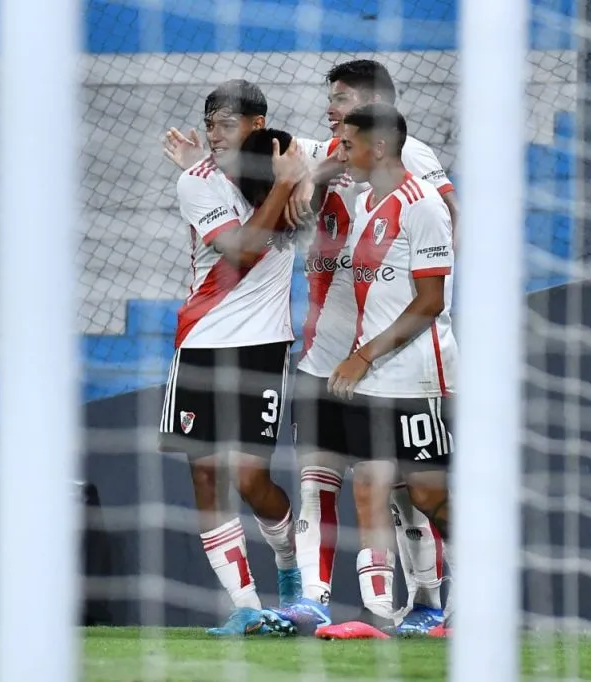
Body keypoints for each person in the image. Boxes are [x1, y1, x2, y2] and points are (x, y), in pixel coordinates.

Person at [164, 60, 457, 635]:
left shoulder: (409, 162)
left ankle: (428, 601)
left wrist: (434, 299)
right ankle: (315, 599)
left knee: (408, 487)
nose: (330, 109)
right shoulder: (322, 153)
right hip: (327, 352)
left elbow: (445, 229)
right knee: (322, 474)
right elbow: (264, 150)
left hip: (394, 353)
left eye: (342, 99)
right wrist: (217, 161)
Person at [158, 79, 307, 636]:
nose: (215, 132)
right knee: (204, 476)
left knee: (250, 479)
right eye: (210, 121)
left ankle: (290, 572)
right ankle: (246, 607)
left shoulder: (290, 156)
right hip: (200, 343)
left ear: (256, 123)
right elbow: (241, 248)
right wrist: (285, 185)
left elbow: (349, 157)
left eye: (226, 123)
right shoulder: (196, 183)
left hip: (262, 346)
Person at [314, 103, 456, 639]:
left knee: (427, 495)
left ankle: (473, 597)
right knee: (369, 484)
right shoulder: (370, 203)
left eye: (347, 145)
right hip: (372, 375)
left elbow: (430, 302)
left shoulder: (422, 207)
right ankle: (377, 613)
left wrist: (363, 354)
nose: (341, 153)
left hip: (419, 375)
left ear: (377, 147)